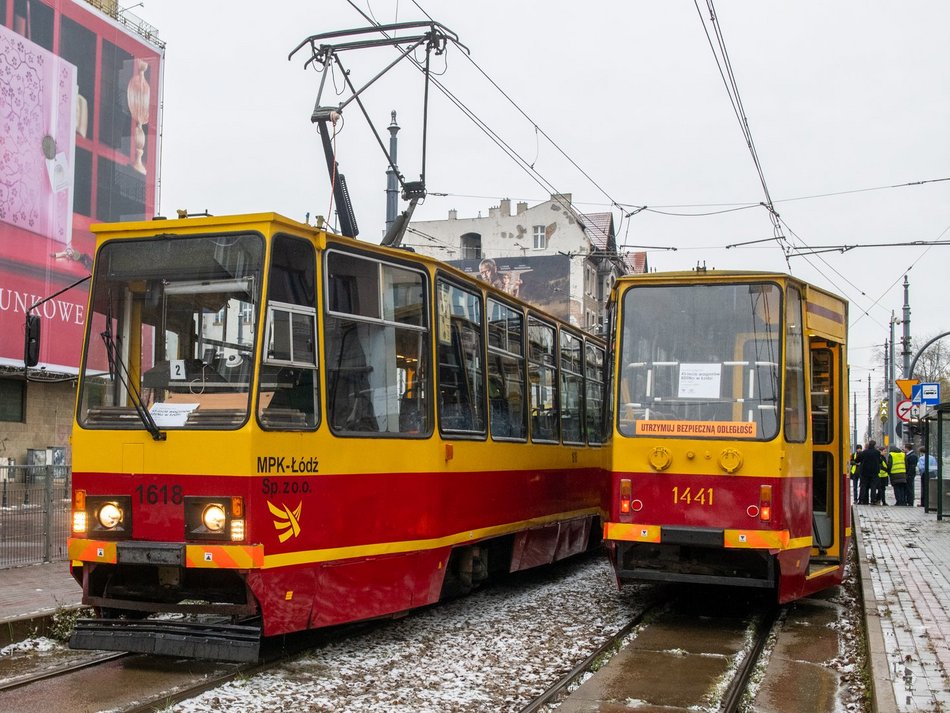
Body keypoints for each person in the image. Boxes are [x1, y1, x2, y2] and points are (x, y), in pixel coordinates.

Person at [855, 439, 884, 505]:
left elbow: (857, 460)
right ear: (874, 445)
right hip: (874, 472)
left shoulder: (864, 452)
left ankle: (861, 500)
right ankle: (873, 500)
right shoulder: (877, 452)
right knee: (873, 486)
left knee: (863, 486)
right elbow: (880, 461)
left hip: (865, 472)